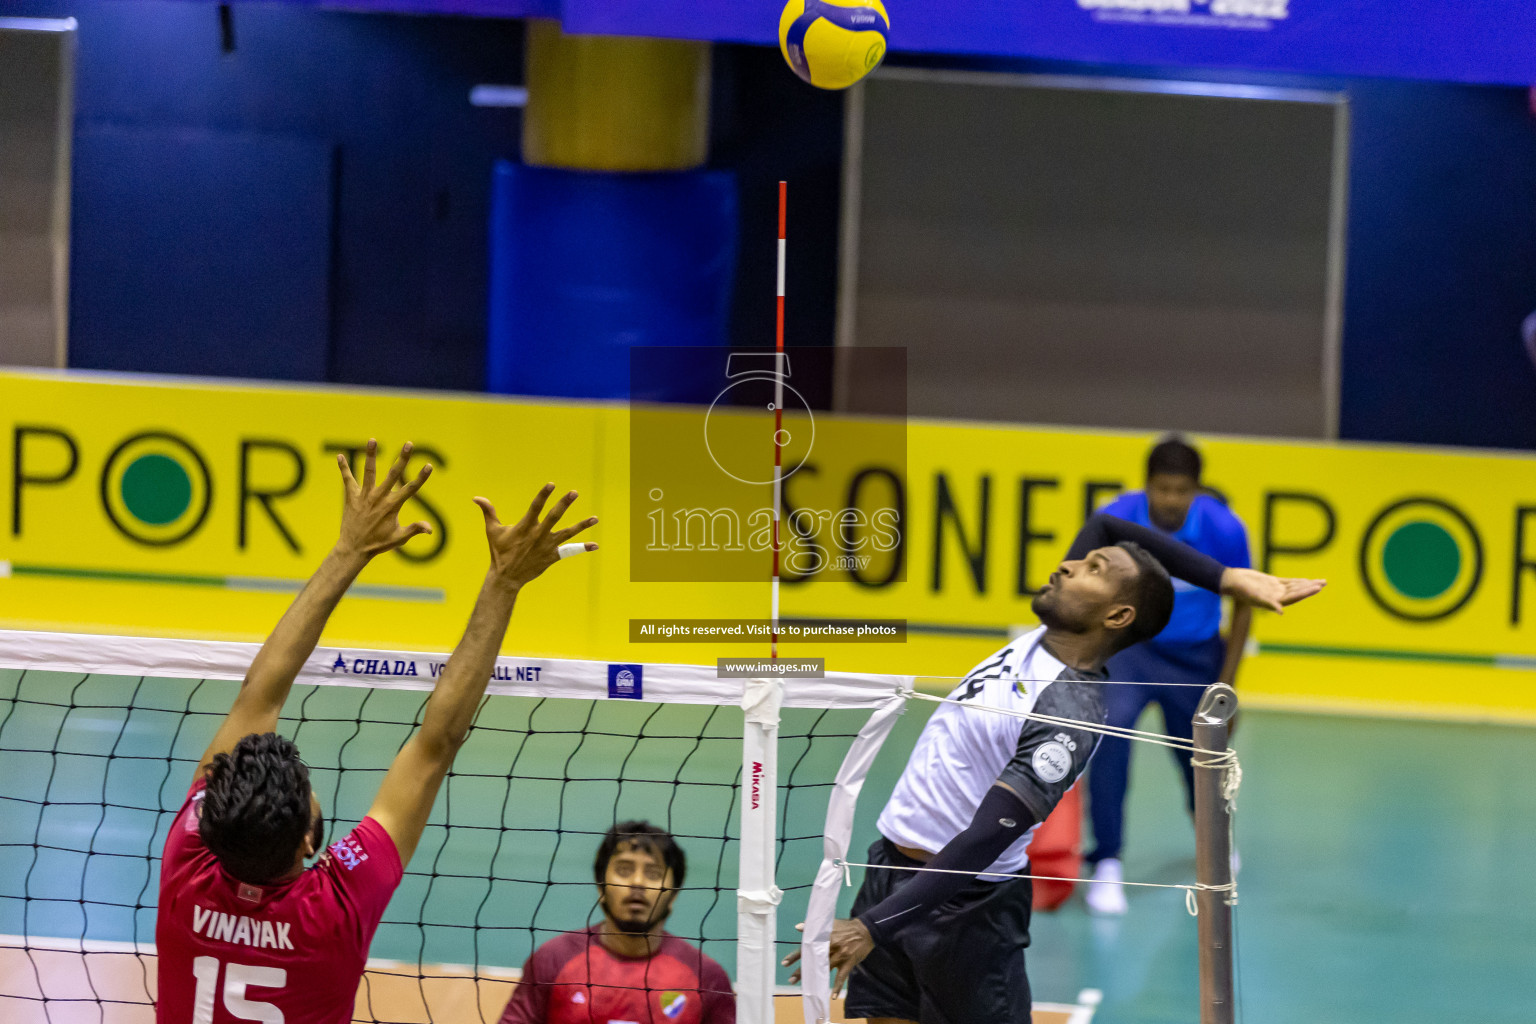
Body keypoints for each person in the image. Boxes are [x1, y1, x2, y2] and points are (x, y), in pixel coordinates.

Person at [783, 513, 1323, 1024]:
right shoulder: (1045, 638)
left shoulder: (1068, 714)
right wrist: (1227, 578)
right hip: (892, 870)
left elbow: (985, 839)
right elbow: (1109, 525)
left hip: (967, 912)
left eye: (1094, 569)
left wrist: (873, 927)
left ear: (1116, 616)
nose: (1069, 564)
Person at [154, 439, 598, 1024]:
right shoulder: (332, 910)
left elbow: (259, 695)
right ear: (308, 840)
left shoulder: (188, 866)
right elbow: (436, 743)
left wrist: (348, 549)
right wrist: (503, 581)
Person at [1085, 436, 1253, 915]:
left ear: (1197, 490)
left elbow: (1244, 606)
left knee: (1201, 758)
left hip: (1196, 658)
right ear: (1147, 486)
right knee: (1109, 736)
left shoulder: (1225, 529)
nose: (1171, 500)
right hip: (1132, 653)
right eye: (1162, 489)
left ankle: (1214, 844)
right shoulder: (1116, 519)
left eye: (1181, 490)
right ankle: (1107, 864)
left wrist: (1226, 684)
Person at [497, 821, 735, 1024]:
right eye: (624, 870)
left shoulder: (707, 979)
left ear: (673, 895)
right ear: (601, 886)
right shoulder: (553, 960)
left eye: (653, 873)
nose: (637, 882)